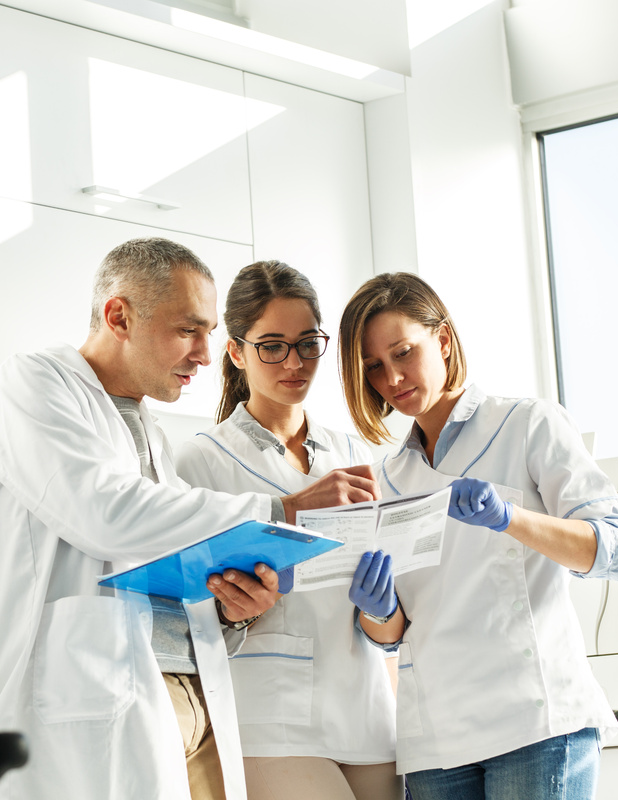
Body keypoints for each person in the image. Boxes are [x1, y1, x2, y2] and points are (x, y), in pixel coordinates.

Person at [0, 238, 379, 800]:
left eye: (208, 332)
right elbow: (105, 512)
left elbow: (169, 562)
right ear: (119, 316)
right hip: (100, 703)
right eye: (189, 330)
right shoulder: (32, 385)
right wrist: (281, 509)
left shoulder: (150, 433)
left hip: (193, 701)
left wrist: (232, 608)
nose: (206, 355)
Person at [336, 272, 618, 800]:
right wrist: (377, 611)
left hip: (534, 723)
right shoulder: (387, 479)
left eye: (403, 352)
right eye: (374, 367)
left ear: (443, 340)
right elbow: (394, 632)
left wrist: (509, 519)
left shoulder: (527, 425)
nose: (392, 378)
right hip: (436, 742)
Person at [174, 261, 403, 800]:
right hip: (268, 715)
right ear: (236, 351)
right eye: (273, 346)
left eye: (307, 344)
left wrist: (381, 607)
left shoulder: (357, 455)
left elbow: (386, 622)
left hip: (366, 707)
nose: (295, 363)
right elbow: (180, 613)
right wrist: (233, 609)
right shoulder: (200, 462)